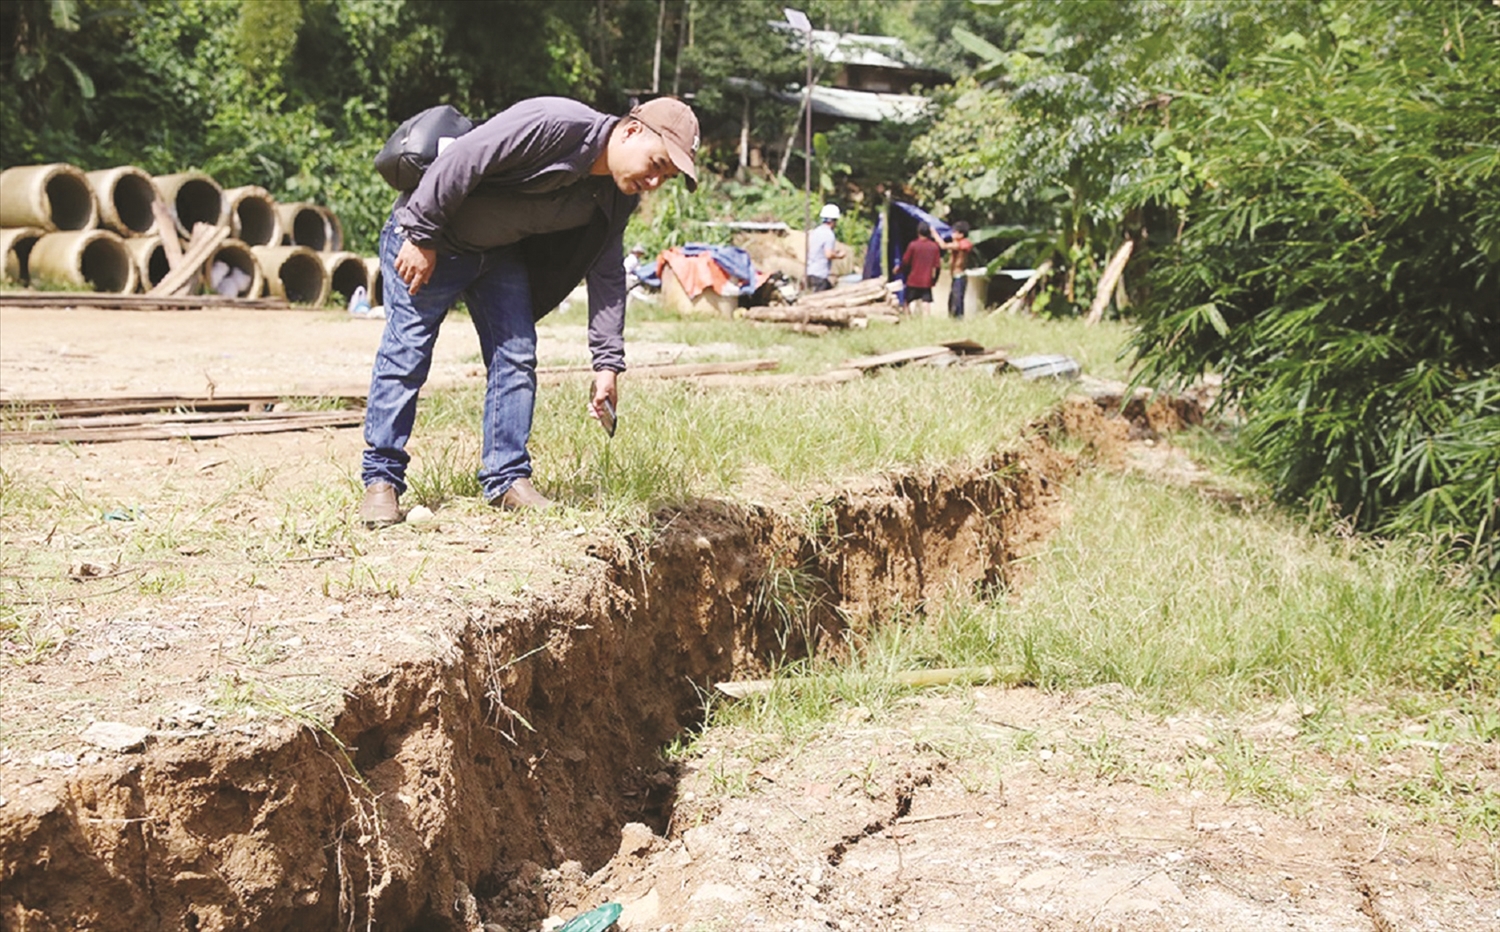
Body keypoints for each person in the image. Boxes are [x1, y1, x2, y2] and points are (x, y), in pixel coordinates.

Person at [359, 96, 699, 528]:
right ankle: (381, 482)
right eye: (655, 164)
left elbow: (608, 273)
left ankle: (506, 479)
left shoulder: (617, 194)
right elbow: (464, 158)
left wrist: (607, 365)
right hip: (430, 238)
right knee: (407, 352)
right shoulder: (555, 123)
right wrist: (422, 235)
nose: (653, 181)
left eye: (664, 177)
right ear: (632, 131)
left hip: (497, 254)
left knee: (516, 356)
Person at [898, 222, 943, 315]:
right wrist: (934, 280)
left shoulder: (913, 245)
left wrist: (898, 270)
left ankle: (908, 320)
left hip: (913, 280)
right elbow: (938, 266)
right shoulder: (934, 247)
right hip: (927, 281)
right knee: (926, 303)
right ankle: (926, 322)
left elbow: (906, 261)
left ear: (918, 232)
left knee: (907, 302)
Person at [805, 203, 847, 293]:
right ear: (833, 221)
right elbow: (828, 254)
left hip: (810, 271)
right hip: (820, 274)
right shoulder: (829, 234)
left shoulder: (816, 231)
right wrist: (839, 255)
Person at [941, 221, 973, 319]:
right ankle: (953, 318)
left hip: (960, 276)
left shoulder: (964, 244)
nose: (953, 234)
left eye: (955, 232)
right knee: (952, 300)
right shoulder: (958, 244)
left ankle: (959, 319)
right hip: (955, 276)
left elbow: (943, 246)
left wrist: (934, 234)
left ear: (961, 234)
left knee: (957, 300)